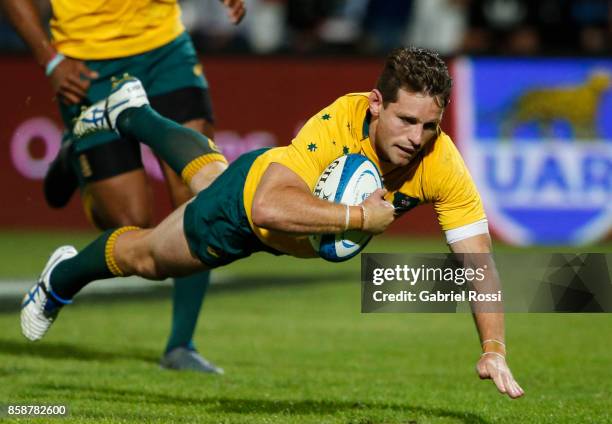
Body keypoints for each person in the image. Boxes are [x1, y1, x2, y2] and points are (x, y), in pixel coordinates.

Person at [21, 47, 525, 399]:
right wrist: (359, 216)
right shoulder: (337, 124)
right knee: (149, 257)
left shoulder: (443, 163)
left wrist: (494, 348)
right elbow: (266, 207)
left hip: (279, 214)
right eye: (406, 121)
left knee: (210, 171)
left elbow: (477, 264)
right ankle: (62, 277)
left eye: (430, 126)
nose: (418, 138)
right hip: (246, 214)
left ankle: (132, 114)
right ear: (376, 105)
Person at [1, 0, 245, 373]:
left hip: (165, 48)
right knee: (130, 221)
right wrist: (50, 60)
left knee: (200, 196)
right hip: (87, 61)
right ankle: (76, 159)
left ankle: (181, 345)